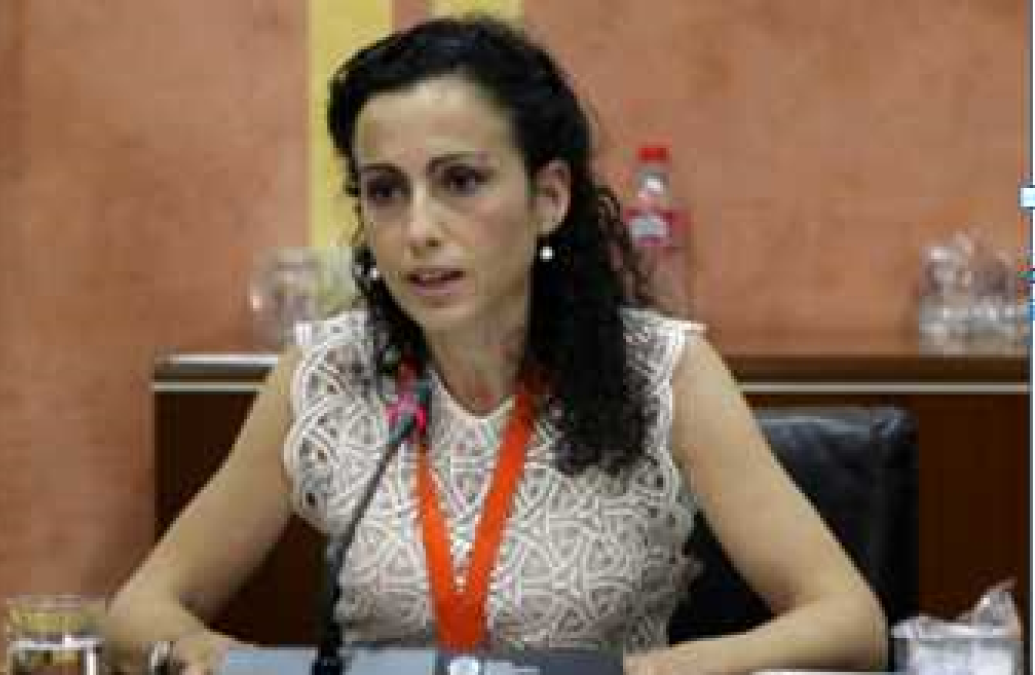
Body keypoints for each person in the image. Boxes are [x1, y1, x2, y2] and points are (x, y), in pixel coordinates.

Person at [104, 15, 887, 675]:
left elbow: (849, 621)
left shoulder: (663, 373)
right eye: (385, 190)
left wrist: (661, 670)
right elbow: (140, 609)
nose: (417, 230)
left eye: (461, 180)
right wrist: (206, 652)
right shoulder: (327, 374)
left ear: (548, 197)